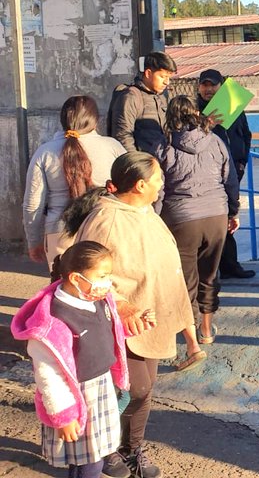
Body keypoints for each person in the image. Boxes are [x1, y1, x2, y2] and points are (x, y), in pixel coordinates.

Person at [64, 152, 194, 478]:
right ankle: (104, 448)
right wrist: (120, 305)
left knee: (144, 388)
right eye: (158, 179)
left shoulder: (145, 212)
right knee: (129, 390)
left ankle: (131, 448)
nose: (162, 183)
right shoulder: (106, 219)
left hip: (151, 318)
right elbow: (84, 274)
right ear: (139, 185)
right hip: (119, 323)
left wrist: (187, 327)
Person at [11, 241, 132, 478]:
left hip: (100, 388)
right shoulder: (51, 323)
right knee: (88, 464)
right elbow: (49, 375)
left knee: (92, 456)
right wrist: (64, 416)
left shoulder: (97, 300)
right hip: (76, 397)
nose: (108, 282)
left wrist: (131, 329)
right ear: (77, 278)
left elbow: (106, 331)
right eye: (102, 276)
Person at [159, 96, 240, 360]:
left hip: (181, 218)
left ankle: (192, 343)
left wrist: (155, 219)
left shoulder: (164, 146)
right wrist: (233, 210)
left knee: (186, 281)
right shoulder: (215, 141)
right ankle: (207, 329)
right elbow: (230, 179)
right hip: (216, 214)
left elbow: (157, 187)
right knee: (209, 274)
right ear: (195, 114)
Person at [23, 96, 125, 269]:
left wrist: (34, 241)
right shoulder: (113, 147)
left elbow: (33, 205)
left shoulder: (45, 152)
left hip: (59, 231)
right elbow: (129, 187)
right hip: (104, 227)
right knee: (105, 289)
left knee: (64, 290)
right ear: (96, 121)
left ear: (63, 120)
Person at [196, 69, 255, 280]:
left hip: (232, 171)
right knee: (212, 219)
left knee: (229, 215)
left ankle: (230, 265)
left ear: (221, 86)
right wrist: (206, 124)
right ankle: (208, 269)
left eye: (213, 85)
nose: (209, 89)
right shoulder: (194, 111)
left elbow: (245, 135)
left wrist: (242, 162)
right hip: (206, 173)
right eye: (205, 85)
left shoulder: (233, 107)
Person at [107, 51, 176, 157]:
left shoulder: (160, 97)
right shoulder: (131, 96)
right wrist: (138, 165)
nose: (167, 82)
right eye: (162, 76)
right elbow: (123, 135)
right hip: (142, 166)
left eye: (169, 78)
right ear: (148, 73)